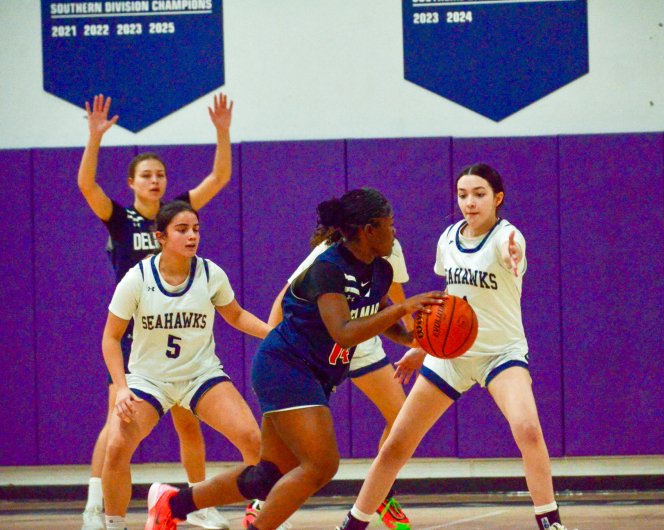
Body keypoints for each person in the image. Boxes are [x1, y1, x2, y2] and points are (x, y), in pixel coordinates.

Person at [143, 188, 446, 530]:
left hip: (314, 374)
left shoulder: (381, 272)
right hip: (284, 366)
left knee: (266, 476)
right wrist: (405, 307)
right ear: (369, 230)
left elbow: (376, 310)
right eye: (390, 225)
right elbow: (344, 332)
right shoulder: (328, 268)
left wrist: (417, 338)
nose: (395, 232)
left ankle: (173, 503)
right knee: (321, 465)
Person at [336, 164, 573, 530]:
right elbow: (451, 300)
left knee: (527, 429)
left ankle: (550, 522)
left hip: (500, 353)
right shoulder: (448, 238)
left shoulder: (506, 238)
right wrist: (423, 346)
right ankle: (353, 523)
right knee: (397, 443)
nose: (470, 202)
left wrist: (516, 257)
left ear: (497, 199)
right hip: (451, 355)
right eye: (463, 195)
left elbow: (515, 255)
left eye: (479, 194)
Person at [77, 93, 236, 529]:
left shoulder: (177, 214)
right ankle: (97, 504)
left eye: (160, 174)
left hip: (177, 329)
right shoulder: (119, 218)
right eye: (146, 175)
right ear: (131, 182)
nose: (155, 181)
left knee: (190, 423)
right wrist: (94, 138)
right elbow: (87, 187)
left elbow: (220, 175)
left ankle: (199, 503)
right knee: (117, 425)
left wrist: (222, 132)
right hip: (133, 332)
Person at [101, 201, 269, 530]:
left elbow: (235, 315)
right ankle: (113, 522)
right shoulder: (137, 279)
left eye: (196, 229)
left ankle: (261, 513)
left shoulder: (210, 273)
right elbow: (110, 337)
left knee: (253, 438)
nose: (192, 236)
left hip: (199, 375)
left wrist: (274, 334)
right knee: (118, 446)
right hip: (150, 380)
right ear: (160, 237)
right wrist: (121, 388)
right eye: (182, 230)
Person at [242, 237, 417, 529]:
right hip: (319, 344)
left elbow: (392, 295)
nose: (390, 226)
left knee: (401, 419)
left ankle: (380, 492)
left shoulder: (390, 247)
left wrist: (419, 338)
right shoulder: (329, 253)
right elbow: (286, 293)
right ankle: (261, 502)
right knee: (292, 444)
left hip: (361, 342)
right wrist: (276, 346)